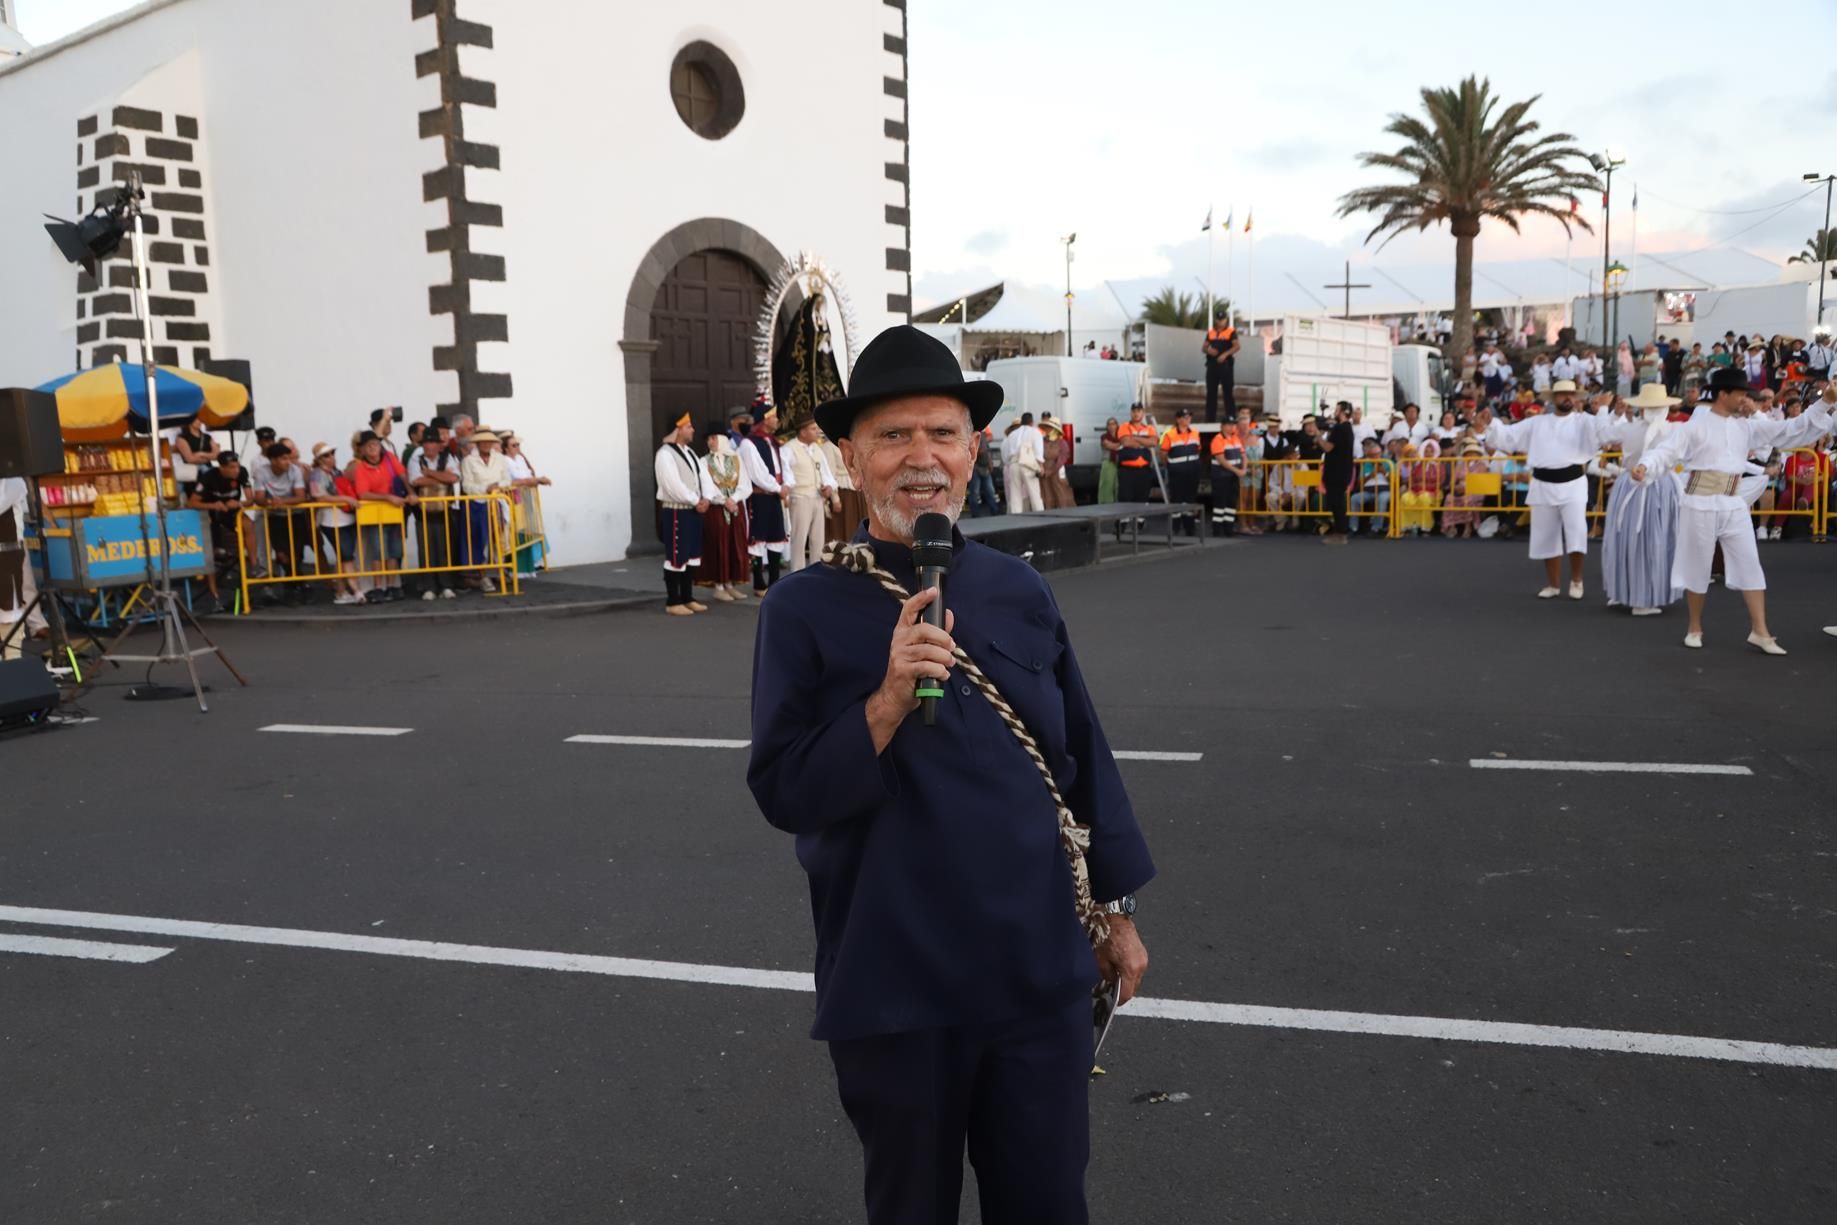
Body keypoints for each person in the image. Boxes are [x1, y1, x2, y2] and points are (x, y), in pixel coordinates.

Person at [748, 325, 1154, 1225]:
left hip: (1035, 969)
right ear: (852, 458)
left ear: (973, 451)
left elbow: (1078, 750)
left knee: (1047, 1202)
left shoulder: (1019, 590)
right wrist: (886, 702)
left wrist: (1116, 912)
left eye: (941, 433)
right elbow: (783, 788)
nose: (919, 457)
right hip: (895, 979)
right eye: (893, 436)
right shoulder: (801, 610)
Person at [1631, 366, 1834, 653]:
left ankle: (1761, 632)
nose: (1745, 399)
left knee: (1750, 564)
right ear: (1723, 394)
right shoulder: (1694, 426)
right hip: (1699, 501)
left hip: (1733, 502)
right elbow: (1665, 452)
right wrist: (1646, 466)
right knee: (1697, 567)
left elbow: (1791, 431)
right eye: (1740, 394)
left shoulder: (1747, 426)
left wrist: (1825, 402)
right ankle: (1694, 626)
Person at [1478, 379, 1618, 599]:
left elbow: (1606, 434)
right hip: (1542, 484)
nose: (1567, 398)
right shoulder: (1537, 423)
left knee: (1576, 532)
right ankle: (1553, 585)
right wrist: (1492, 423)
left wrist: (1603, 409)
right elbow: (1508, 436)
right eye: (1562, 395)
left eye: (1571, 395)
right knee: (1546, 536)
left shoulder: (1584, 421)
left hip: (1573, 483)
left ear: (1577, 398)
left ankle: (1576, 580)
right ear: (1553, 398)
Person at [1600, 382, 1683, 615]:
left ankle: (1622, 590)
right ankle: (1642, 598)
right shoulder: (1673, 430)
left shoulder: (1629, 428)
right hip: (1658, 485)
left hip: (1628, 484)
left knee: (1625, 537)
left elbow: (1601, 433)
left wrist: (1604, 411)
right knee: (1652, 538)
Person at [654, 413, 709, 616]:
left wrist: (707, 498)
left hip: (693, 511)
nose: (692, 430)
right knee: (676, 555)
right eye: (688, 427)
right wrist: (695, 500)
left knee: (691, 555)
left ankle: (687, 596)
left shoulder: (690, 453)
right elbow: (672, 484)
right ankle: (673, 600)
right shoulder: (665, 454)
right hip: (677, 511)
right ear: (677, 430)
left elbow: (702, 477)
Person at [350, 429, 412, 602]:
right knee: (379, 552)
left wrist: (411, 492)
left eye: (375, 444)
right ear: (361, 449)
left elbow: (403, 475)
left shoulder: (390, 458)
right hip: (375, 513)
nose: (373, 447)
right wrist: (388, 497)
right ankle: (379, 587)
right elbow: (363, 493)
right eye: (368, 445)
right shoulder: (361, 467)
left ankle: (392, 585)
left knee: (394, 550)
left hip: (394, 510)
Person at [695, 421, 752, 602]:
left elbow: (745, 483)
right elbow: (707, 486)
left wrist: (734, 499)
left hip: (735, 509)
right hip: (716, 509)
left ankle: (730, 583)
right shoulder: (704, 461)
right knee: (718, 545)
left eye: (713, 438)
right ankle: (719, 585)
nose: (710, 442)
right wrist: (723, 500)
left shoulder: (735, 459)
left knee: (735, 544)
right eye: (708, 439)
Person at [248, 441, 312, 603]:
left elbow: (300, 496)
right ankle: (297, 584)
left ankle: (294, 586)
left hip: (295, 515)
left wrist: (282, 501)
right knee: (282, 555)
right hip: (275, 517)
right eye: (283, 458)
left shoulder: (295, 471)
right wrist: (270, 503)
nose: (287, 462)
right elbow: (259, 498)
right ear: (273, 460)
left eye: (288, 458)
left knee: (296, 554)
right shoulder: (261, 472)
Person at [406, 428, 461, 600]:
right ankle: (428, 587)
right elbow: (415, 480)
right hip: (423, 513)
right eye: (426, 443)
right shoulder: (416, 459)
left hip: (444, 511)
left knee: (444, 548)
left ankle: (446, 585)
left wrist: (430, 473)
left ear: (439, 445)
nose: (429, 446)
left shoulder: (448, 457)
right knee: (426, 550)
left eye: (432, 443)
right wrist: (441, 477)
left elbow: (455, 478)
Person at [307, 443, 364, 606]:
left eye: (332, 453)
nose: (331, 457)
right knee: (346, 556)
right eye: (326, 455)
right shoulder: (316, 475)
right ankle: (357, 591)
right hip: (330, 521)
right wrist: (345, 499)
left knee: (343, 557)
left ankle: (341, 591)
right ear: (318, 459)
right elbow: (319, 497)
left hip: (347, 518)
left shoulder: (337, 472)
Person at [186, 452, 246, 608]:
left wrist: (240, 503)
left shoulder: (242, 473)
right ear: (222, 468)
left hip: (230, 516)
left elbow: (251, 497)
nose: (236, 470)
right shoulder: (208, 477)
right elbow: (191, 503)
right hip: (210, 518)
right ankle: (214, 595)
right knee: (210, 555)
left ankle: (253, 570)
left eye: (237, 466)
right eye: (232, 467)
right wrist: (213, 505)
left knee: (248, 526)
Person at [741, 408, 790, 594]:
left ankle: (775, 581)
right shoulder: (749, 444)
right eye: (773, 417)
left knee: (776, 536)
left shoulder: (774, 442)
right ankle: (759, 581)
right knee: (758, 538)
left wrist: (786, 485)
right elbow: (757, 472)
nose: (777, 420)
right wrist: (778, 488)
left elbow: (783, 466)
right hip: (760, 496)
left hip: (775, 495)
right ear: (764, 420)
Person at [783, 417, 838, 572]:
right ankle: (797, 574)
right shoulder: (789, 449)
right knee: (799, 540)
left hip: (818, 499)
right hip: (799, 499)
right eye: (813, 429)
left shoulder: (817, 449)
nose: (818, 432)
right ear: (803, 432)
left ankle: (816, 573)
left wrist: (829, 487)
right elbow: (786, 477)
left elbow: (827, 475)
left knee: (818, 540)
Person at [1158, 408, 1201, 534]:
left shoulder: (1195, 433)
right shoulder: (1169, 434)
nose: (1187, 419)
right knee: (1177, 498)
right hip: (1177, 472)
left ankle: (1190, 527)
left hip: (1192, 470)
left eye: (1189, 416)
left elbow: (1198, 450)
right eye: (1184, 416)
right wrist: (1171, 465)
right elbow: (1163, 453)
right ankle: (1175, 527)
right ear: (1178, 419)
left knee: (1190, 498)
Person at [1318, 402, 1356, 544]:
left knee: (1337, 503)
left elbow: (1328, 448)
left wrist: (1318, 436)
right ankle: (1340, 532)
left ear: (1342, 412)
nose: (1334, 411)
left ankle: (1341, 533)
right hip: (1342, 470)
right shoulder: (1347, 428)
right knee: (1337, 502)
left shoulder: (1340, 429)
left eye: (1336, 409)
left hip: (1336, 472)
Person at [1207, 415, 1247, 536]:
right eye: (1229, 425)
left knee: (1231, 502)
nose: (1232, 427)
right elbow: (1221, 460)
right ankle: (1217, 530)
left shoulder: (1235, 438)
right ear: (1222, 426)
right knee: (1220, 503)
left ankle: (1228, 529)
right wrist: (1237, 471)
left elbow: (1243, 455)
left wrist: (1244, 469)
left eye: (1234, 425)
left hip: (1233, 476)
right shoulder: (1217, 440)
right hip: (1221, 476)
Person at [1114, 403, 1157, 505]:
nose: (1136, 414)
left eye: (1138, 411)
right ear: (1130, 413)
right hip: (1127, 471)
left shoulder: (1149, 428)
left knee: (1142, 498)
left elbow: (1153, 442)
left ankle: (1140, 520)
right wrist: (1144, 441)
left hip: (1144, 470)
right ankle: (1124, 520)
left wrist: (1135, 437)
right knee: (1125, 498)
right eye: (1134, 411)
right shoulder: (1124, 426)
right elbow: (1126, 442)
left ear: (1143, 413)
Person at [1001, 411, 1044, 512]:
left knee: (1015, 494)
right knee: (1034, 493)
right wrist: (1041, 466)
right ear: (1032, 421)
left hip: (1013, 464)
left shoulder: (1012, 435)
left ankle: (1016, 518)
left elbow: (1007, 455)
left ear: (1021, 421)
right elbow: (1038, 451)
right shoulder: (1035, 432)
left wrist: (1010, 463)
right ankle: (1040, 515)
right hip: (1028, 465)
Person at [1202, 307, 1239, 422]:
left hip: (1225, 366)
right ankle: (1210, 418)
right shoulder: (1211, 332)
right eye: (1218, 319)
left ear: (1226, 320)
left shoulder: (1231, 332)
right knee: (1211, 392)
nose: (1220, 322)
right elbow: (1204, 347)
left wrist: (1225, 355)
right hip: (1212, 365)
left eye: (1222, 319)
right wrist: (1209, 351)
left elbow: (1236, 346)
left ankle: (1231, 417)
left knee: (1228, 392)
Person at [1350, 436, 1391, 536]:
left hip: (1385, 490)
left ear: (1380, 454)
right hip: (1369, 491)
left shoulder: (1388, 463)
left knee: (1381, 499)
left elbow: (1396, 481)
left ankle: (1376, 528)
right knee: (1355, 498)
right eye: (1372, 455)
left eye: (1376, 455)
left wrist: (1384, 473)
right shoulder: (1366, 464)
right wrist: (1370, 476)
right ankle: (1353, 527)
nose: (1374, 457)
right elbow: (1360, 483)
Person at [1040, 421, 1076, 509]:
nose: (1047, 430)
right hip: (1044, 471)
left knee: (1060, 491)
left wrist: (1051, 470)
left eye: (1049, 428)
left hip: (1056, 470)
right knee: (1047, 492)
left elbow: (1062, 459)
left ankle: (1065, 513)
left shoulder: (1062, 442)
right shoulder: (1042, 441)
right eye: (1046, 428)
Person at [1096, 417, 1121, 504]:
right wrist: (1120, 445)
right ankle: (1106, 506)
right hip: (1108, 463)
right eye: (1109, 424)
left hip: (1120, 463)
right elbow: (1108, 445)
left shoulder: (1121, 436)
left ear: (1117, 425)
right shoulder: (1104, 436)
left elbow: (1124, 443)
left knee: (1118, 486)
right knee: (1106, 486)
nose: (1111, 426)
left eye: (1113, 423)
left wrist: (1117, 445)